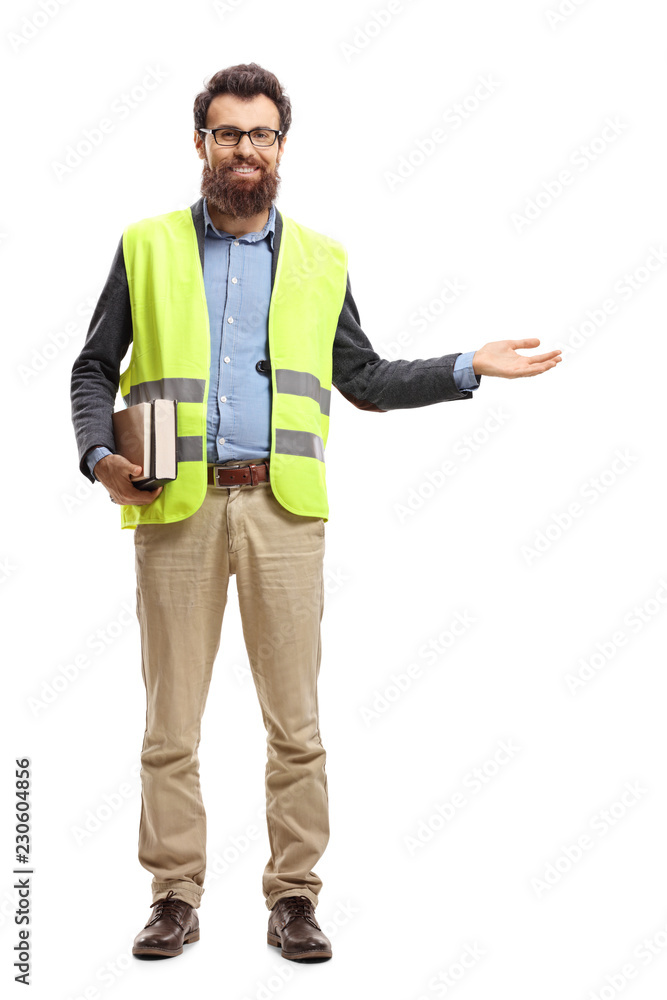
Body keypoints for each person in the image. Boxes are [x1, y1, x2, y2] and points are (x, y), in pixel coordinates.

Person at [70, 62, 561, 963]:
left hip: (284, 513)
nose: (244, 149)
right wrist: (100, 456)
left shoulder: (322, 258)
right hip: (173, 510)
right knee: (169, 722)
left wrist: (466, 365)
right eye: (228, 133)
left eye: (261, 134)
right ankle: (173, 895)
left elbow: (362, 379)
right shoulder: (144, 245)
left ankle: (293, 897)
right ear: (200, 144)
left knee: (294, 722)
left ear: (282, 147)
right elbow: (94, 369)